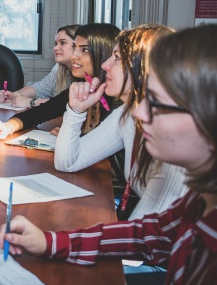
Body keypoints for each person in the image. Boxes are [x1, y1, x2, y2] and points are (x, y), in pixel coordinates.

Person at [0, 23, 217, 285]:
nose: (141, 111)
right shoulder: (201, 201)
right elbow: (148, 234)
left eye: (160, 102)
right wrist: (51, 242)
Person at [55, 24, 186, 219]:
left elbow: (149, 231)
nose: (105, 65)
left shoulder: (175, 133)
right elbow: (67, 162)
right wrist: (76, 111)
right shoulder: (127, 114)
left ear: (145, 67)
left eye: (116, 58)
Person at [0, 23, 120, 140]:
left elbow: (101, 144)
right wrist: (7, 127)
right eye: (74, 48)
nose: (73, 56)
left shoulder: (115, 99)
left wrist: (74, 136)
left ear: (105, 53)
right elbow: (39, 113)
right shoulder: (80, 87)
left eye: (84, 50)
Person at [0, 24, 79, 108]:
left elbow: (67, 105)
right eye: (56, 43)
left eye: (62, 43)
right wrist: (15, 95)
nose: (55, 48)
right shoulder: (60, 68)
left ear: (77, 45)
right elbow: (40, 88)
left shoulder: (85, 74)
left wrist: (30, 102)